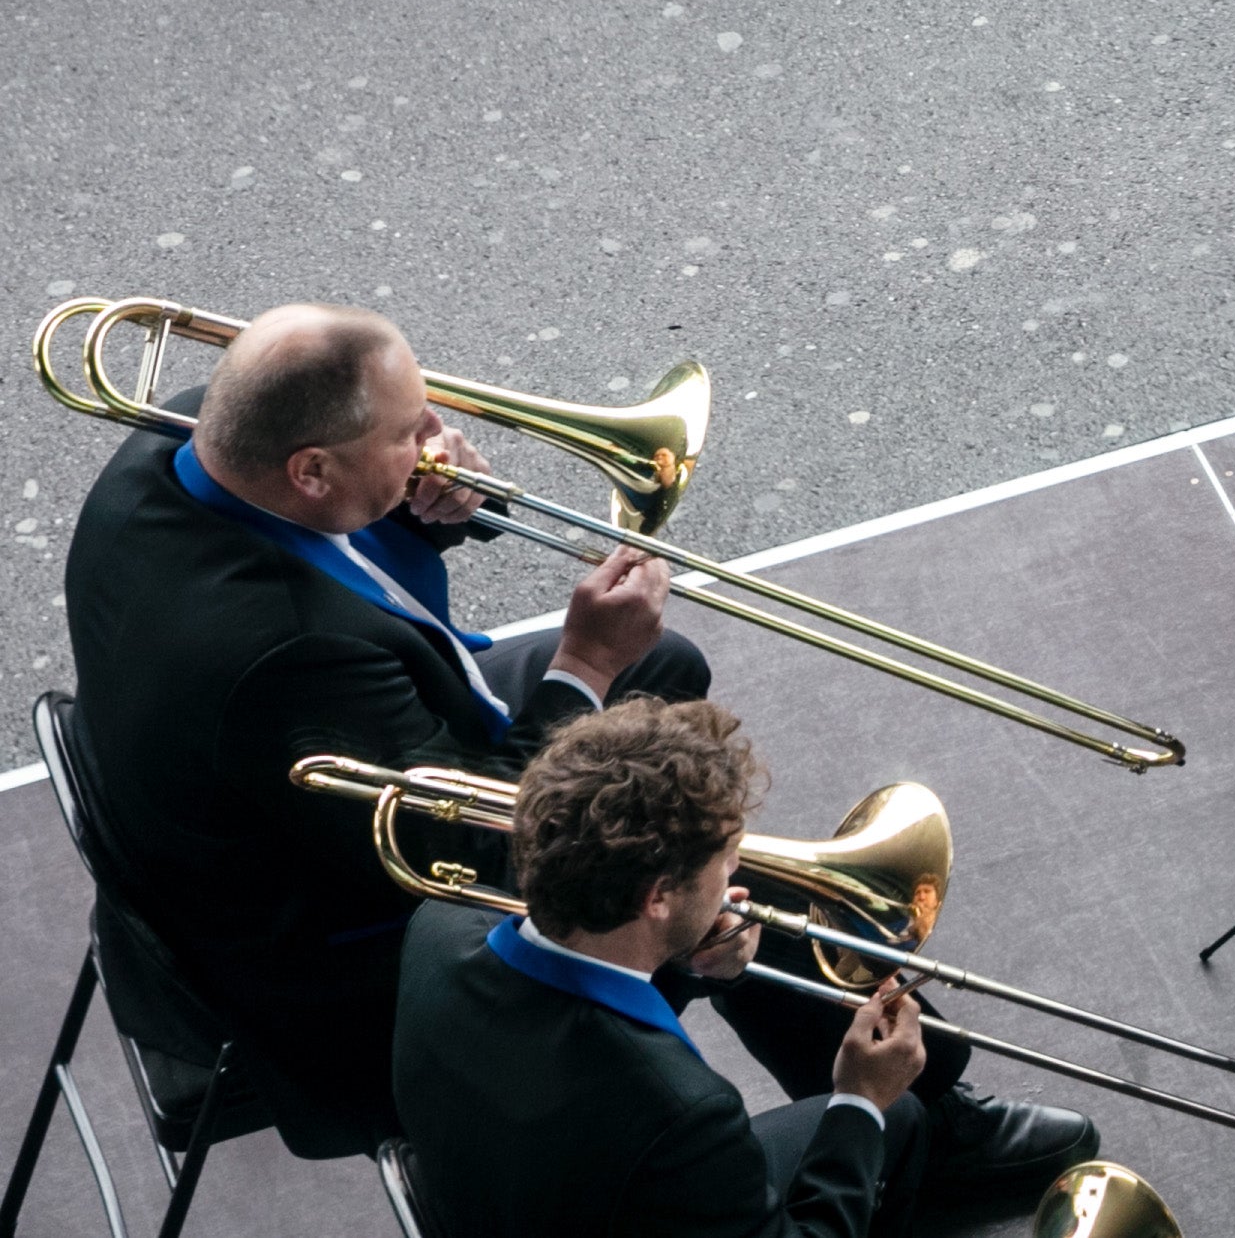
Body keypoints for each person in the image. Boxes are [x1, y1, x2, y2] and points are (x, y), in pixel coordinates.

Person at [50, 303, 1017, 1165]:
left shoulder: (183, 441)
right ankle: (908, 1120)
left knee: (660, 670)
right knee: (708, 876)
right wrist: (584, 665)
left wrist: (417, 516)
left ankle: (876, 1079)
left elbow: (334, 566)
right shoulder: (281, 656)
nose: (437, 442)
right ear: (311, 469)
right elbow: (485, 839)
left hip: (270, 804)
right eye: (408, 436)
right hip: (334, 967)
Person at [384, 693, 954, 1238]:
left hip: (520, 1195)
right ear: (656, 898)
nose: (735, 871)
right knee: (890, 1117)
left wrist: (680, 957)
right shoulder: (681, 1112)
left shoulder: (438, 928)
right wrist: (858, 1097)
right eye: (727, 857)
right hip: (619, 1191)